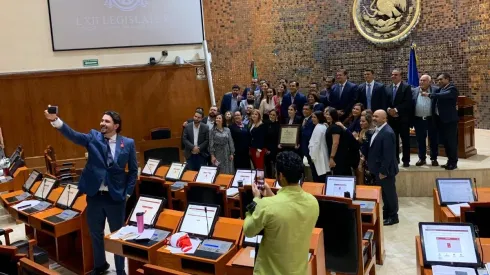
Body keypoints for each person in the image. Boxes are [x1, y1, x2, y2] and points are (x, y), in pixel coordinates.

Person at [44, 109, 137, 275]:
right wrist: (56, 121)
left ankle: (121, 270)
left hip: (116, 198)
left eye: (107, 121)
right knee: (95, 234)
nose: (102, 123)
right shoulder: (94, 137)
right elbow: (74, 135)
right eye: (102, 120)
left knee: (118, 236)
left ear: (116, 126)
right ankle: (100, 266)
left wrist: (128, 193)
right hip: (95, 196)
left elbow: (133, 172)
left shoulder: (128, 143)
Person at [243, 151, 319, 275]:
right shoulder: (313, 202)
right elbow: (288, 209)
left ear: (281, 175)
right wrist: (270, 194)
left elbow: (248, 230)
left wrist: (256, 199)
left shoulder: (266, 205)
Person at [368, 110, 399, 226]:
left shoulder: (387, 133)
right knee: (385, 194)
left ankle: (393, 216)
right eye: (373, 116)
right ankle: (386, 213)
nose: (374, 118)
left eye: (377, 116)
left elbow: (388, 155)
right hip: (379, 169)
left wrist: (383, 170)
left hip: (385, 171)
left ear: (385, 119)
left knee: (389, 193)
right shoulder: (378, 129)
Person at [431, 73, 459, 170]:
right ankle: (449, 161)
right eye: (438, 80)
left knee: (451, 142)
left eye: (441, 79)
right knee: (446, 143)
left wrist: (430, 95)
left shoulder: (452, 88)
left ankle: (453, 162)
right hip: (441, 121)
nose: (439, 81)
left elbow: (444, 95)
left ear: (447, 79)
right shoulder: (441, 89)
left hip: (450, 121)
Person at [387, 68, 413, 167]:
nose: (393, 76)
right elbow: (386, 101)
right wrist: (389, 110)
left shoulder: (406, 87)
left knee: (405, 140)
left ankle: (406, 160)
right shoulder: (388, 87)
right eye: (392, 74)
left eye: (396, 75)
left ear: (400, 76)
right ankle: (395, 159)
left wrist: (396, 110)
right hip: (391, 119)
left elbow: (408, 102)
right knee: (393, 140)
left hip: (403, 119)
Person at [412, 74, 439, 167]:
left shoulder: (435, 90)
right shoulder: (414, 90)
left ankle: (434, 158)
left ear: (429, 82)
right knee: (420, 140)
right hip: (418, 119)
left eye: (424, 80)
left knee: (433, 140)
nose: (421, 82)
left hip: (431, 119)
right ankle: (422, 158)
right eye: (420, 80)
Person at [325, 107, 351, 175]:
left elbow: (335, 143)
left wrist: (332, 157)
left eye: (329, 115)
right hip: (337, 155)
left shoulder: (335, 127)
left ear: (334, 116)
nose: (327, 116)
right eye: (326, 114)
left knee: (340, 175)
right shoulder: (332, 125)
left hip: (338, 156)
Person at [308, 111, 330, 183]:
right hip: (321, 154)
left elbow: (316, 144)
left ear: (319, 118)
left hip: (318, 156)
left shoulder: (318, 128)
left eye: (315, 117)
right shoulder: (323, 126)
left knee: (318, 179)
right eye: (312, 117)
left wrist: (313, 156)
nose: (313, 119)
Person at [358, 113, 376, 185]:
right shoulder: (362, 131)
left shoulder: (370, 133)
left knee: (371, 182)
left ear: (369, 122)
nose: (361, 123)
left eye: (363, 121)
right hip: (364, 160)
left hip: (369, 161)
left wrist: (360, 163)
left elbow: (365, 149)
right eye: (360, 121)